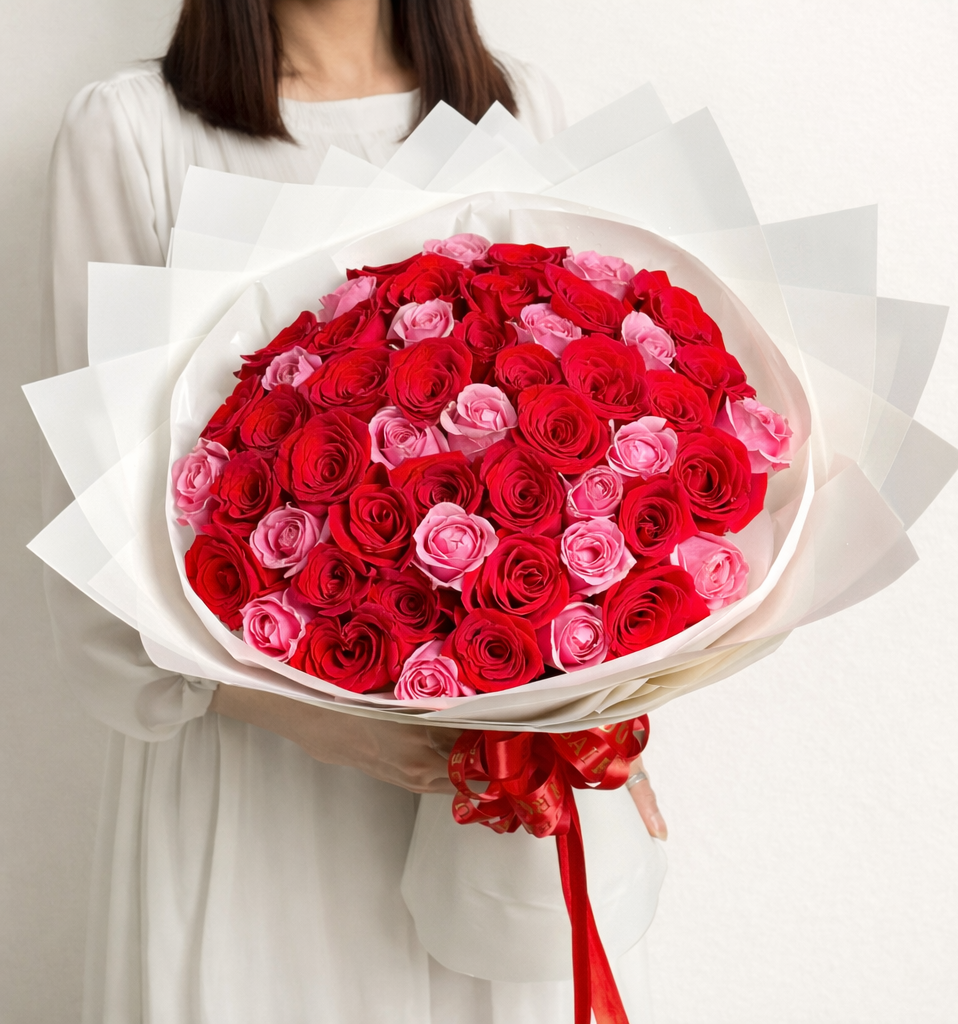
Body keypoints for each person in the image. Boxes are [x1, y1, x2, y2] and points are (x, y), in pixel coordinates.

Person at [42, 1, 667, 1020]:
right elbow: (93, 506)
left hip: (496, 771)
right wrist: (307, 718)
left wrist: (599, 714)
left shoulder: (516, 105)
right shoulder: (134, 132)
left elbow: (603, 446)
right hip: (259, 771)